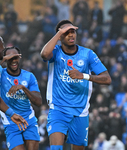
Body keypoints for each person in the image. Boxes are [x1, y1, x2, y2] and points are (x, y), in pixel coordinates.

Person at [40, 20, 112, 150]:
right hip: (58, 109)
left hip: (80, 111)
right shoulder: (55, 52)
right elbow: (44, 54)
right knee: (56, 148)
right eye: (66, 33)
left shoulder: (88, 54)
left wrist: (84, 76)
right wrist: (58, 33)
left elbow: (107, 79)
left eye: (72, 31)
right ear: (60, 36)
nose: (71, 35)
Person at [0, 46, 42, 150]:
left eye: (16, 57)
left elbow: (38, 102)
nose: (14, 60)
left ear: (20, 58)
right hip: (10, 122)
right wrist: (3, 59)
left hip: (29, 120)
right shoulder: (0, 74)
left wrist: (23, 88)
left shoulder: (29, 76)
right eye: (10, 58)